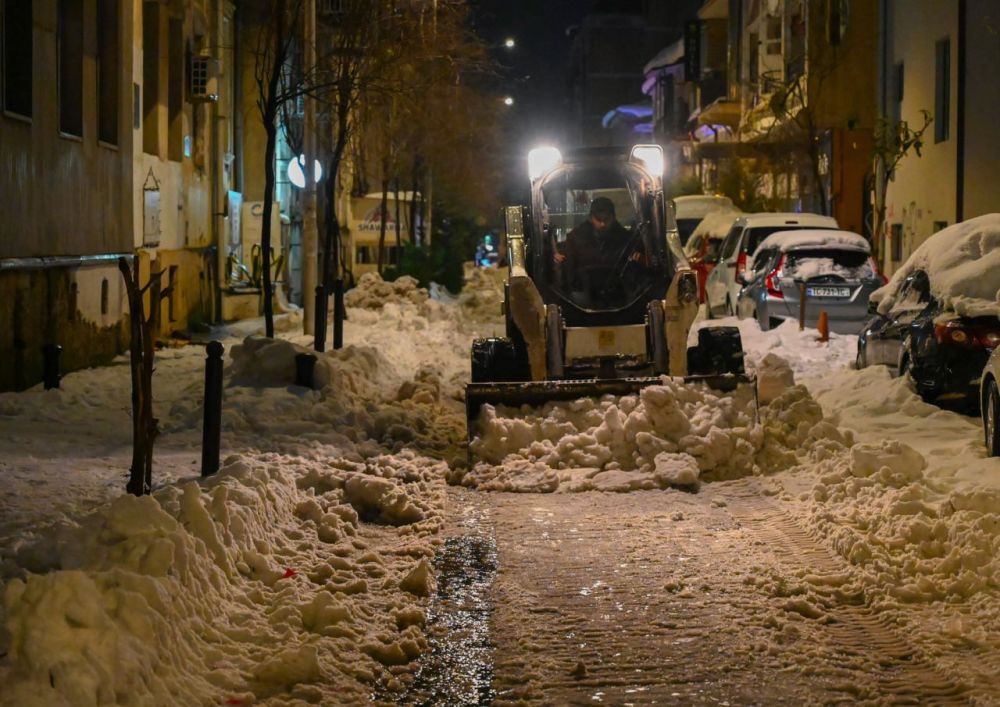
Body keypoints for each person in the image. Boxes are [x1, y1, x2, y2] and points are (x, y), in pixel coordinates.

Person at [553, 197, 643, 299]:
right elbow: (564, 260)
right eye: (599, 219)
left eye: (606, 219)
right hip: (581, 298)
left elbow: (637, 269)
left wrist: (640, 259)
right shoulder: (575, 239)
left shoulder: (627, 240)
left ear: (613, 218)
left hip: (620, 297)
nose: (603, 224)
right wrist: (557, 257)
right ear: (591, 218)